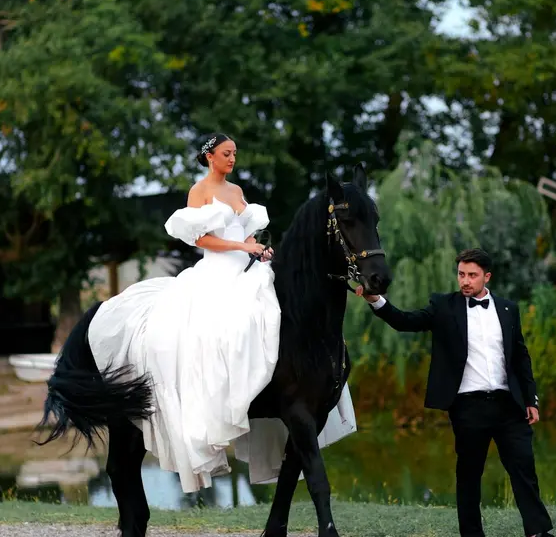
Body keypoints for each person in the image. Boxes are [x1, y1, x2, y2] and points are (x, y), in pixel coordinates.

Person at [85, 133, 358, 493]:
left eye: (234, 154)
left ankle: (278, 384)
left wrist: (256, 249)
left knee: (275, 313)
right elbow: (202, 240)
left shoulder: (236, 190)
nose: (232, 159)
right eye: (227, 154)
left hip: (247, 265)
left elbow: (244, 230)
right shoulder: (199, 192)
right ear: (210, 156)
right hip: (216, 269)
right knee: (219, 325)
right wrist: (239, 245)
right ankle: (221, 397)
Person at [357, 248, 554, 537]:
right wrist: (374, 298)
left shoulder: (508, 308)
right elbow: (405, 321)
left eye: (472, 275)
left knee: (524, 469)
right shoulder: (444, 306)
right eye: (461, 274)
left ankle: (537, 532)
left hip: (509, 405)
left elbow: (520, 357)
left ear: (487, 276)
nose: (465, 280)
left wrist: (530, 399)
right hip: (468, 407)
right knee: (469, 476)